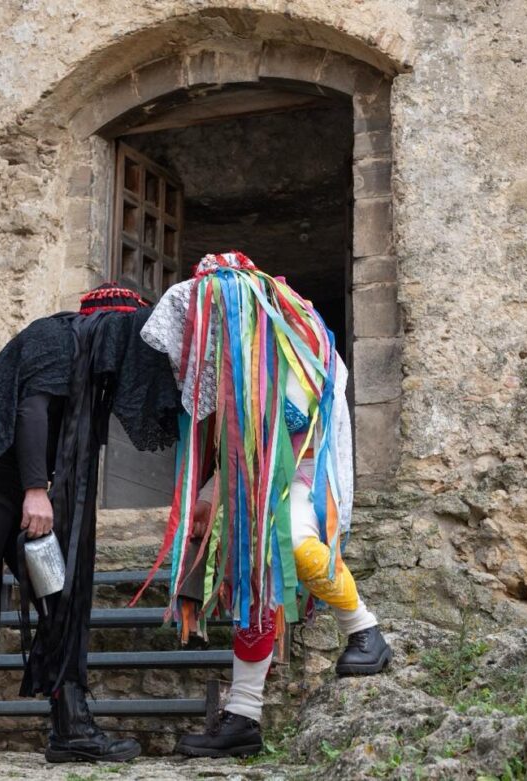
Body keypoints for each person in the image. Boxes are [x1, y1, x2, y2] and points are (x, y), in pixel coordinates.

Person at [0, 283, 179, 764]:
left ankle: (71, 731)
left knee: (61, 602)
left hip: (30, 490)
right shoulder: (54, 337)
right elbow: (31, 411)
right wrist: (35, 490)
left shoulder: (92, 368)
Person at [138, 251, 392, 758]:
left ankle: (365, 632)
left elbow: (303, 434)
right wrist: (210, 497)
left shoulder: (300, 349)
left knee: (297, 546)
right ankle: (244, 717)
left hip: (299, 474)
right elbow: (234, 446)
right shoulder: (232, 368)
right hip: (251, 489)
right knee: (252, 589)